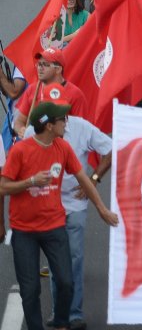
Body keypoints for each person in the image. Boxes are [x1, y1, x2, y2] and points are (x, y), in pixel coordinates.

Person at [1, 98, 119, 330]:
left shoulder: (63, 148)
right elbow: (3, 186)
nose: (67, 122)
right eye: (62, 119)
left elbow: (83, 179)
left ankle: (62, 322)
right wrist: (30, 182)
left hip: (53, 227)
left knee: (66, 281)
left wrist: (102, 209)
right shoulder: (20, 151)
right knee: (30, 289)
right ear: (48, 126)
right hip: (25, 230)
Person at [11, 49, 89, 138]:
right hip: (36, 144)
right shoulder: (32, 89)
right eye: (39, 64)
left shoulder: (75, 94)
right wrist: (21, 130)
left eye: (45, 64)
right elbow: (19, 121)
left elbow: (82, 131)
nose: (40, 68)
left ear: (58, 69)